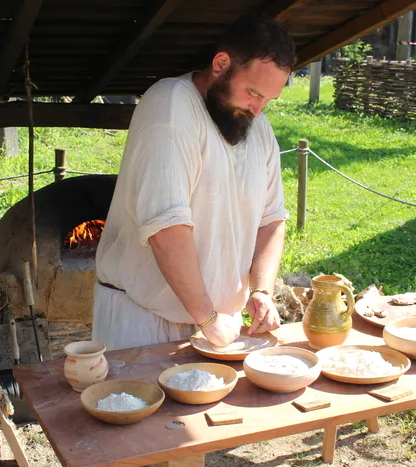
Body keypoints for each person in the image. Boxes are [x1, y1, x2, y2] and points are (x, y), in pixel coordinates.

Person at [93, 13, 295, 351]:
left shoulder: (258, 128)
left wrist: (261, 290)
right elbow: (165, 225)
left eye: (267, 100)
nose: (258, 110)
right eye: (252, 93)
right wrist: (206, 317)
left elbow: (272, 218)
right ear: (220, 64)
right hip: (145, 322)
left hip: (215, 323)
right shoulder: (170, 104)